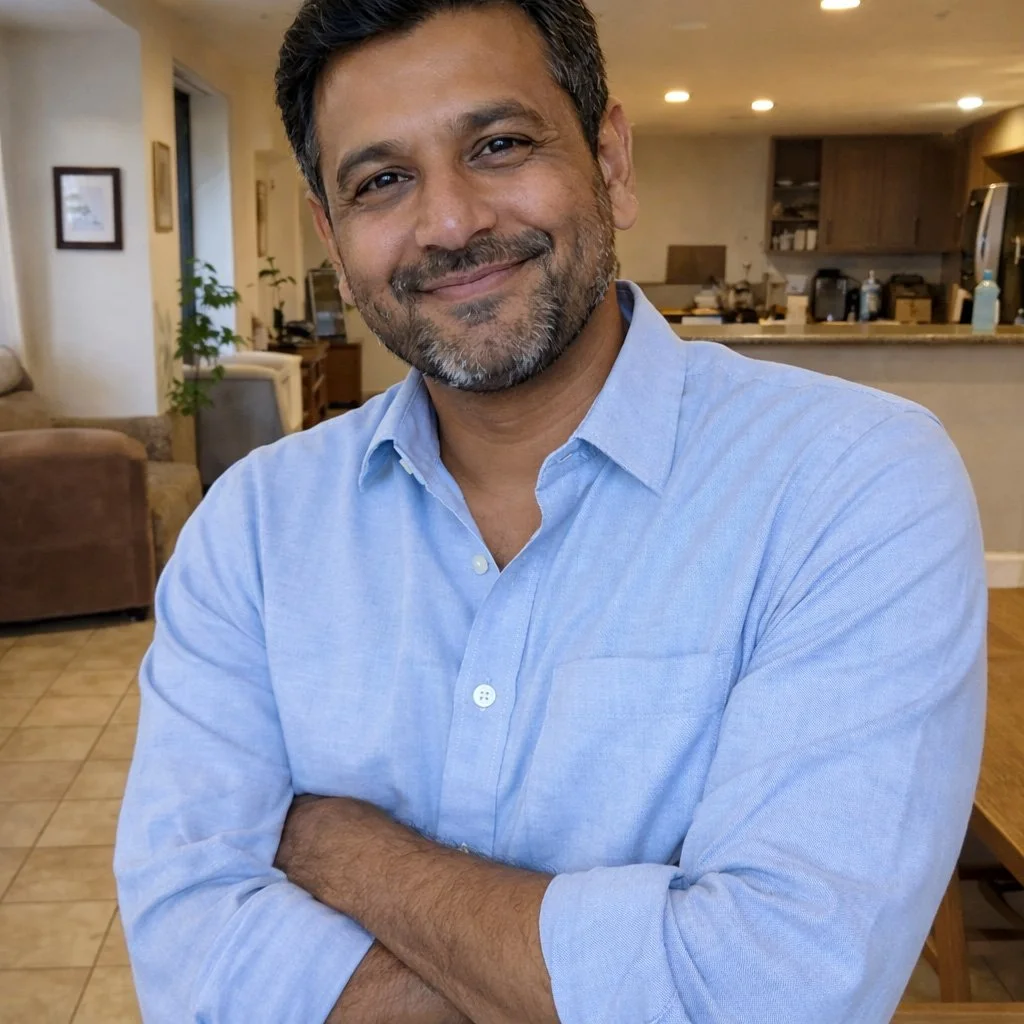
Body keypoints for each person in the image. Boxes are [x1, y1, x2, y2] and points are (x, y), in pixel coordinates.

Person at [113, 0, 987, 1019]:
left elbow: (774, 990)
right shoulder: (252, 530)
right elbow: (189, 952)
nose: (449, 222)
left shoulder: (849, 483)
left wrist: (345, 852)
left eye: (498, 143)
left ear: (609, 160)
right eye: (382, 179)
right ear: (333, 231)